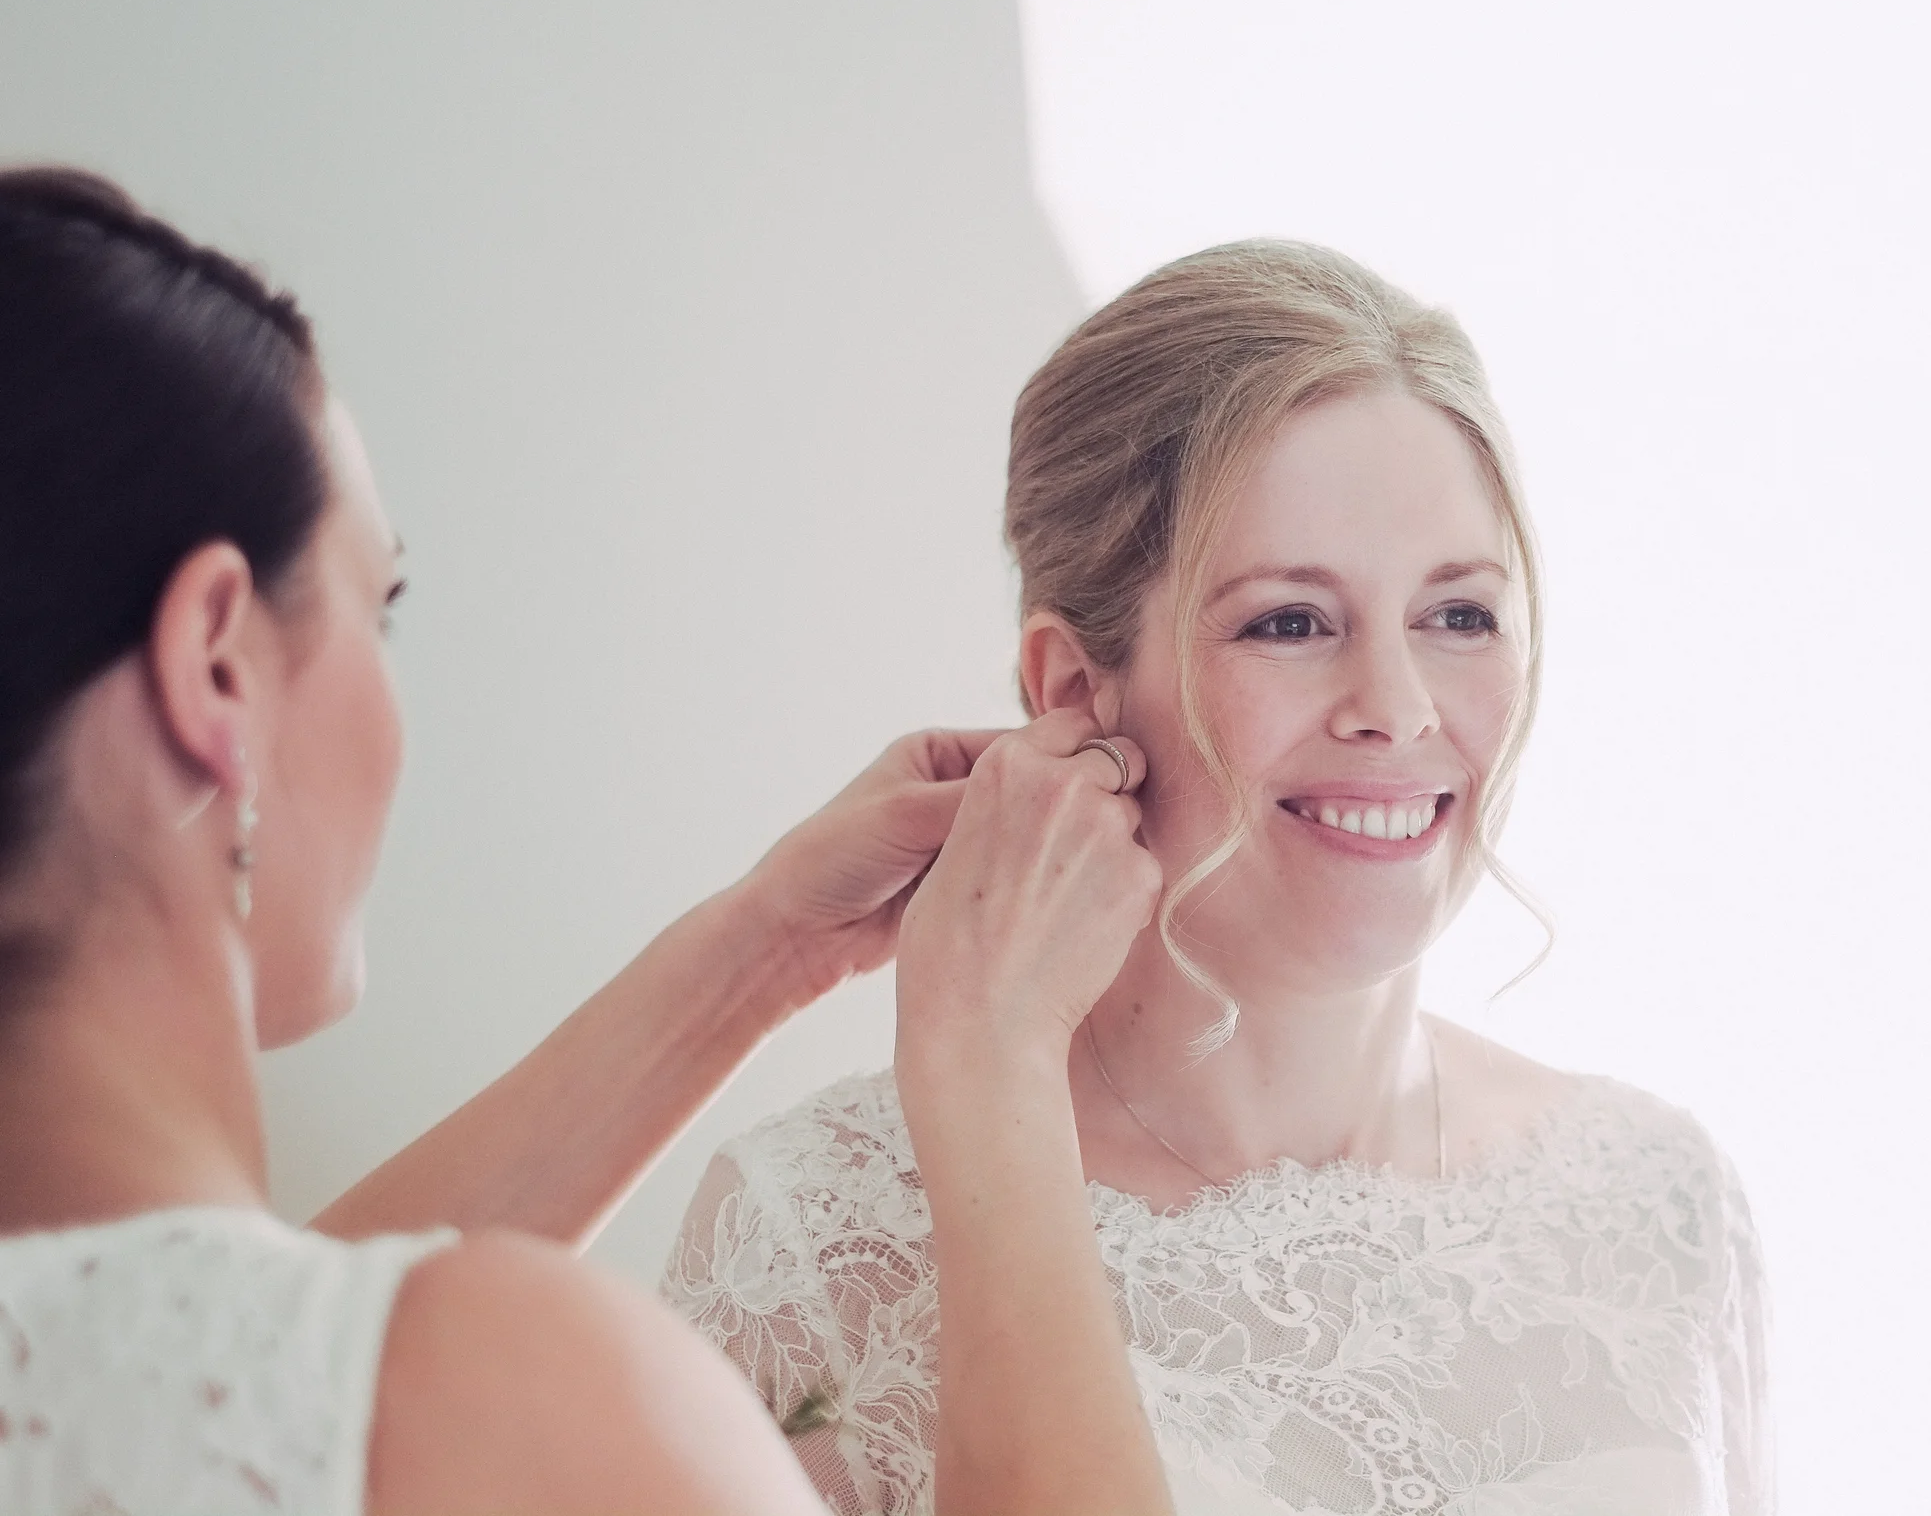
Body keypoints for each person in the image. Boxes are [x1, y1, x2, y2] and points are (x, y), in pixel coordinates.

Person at [0, 166, 1172, 1515]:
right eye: (380, 603)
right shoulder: (523, 1395)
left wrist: (769, 946)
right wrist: (990, 1054)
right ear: (218, 666)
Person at [667, 240, 1774, 1514]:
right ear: (1074, 690)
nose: (1398, 704)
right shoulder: (815, 1246)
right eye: (1289, 621)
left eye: (1459, 614)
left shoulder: (1658, 1204)